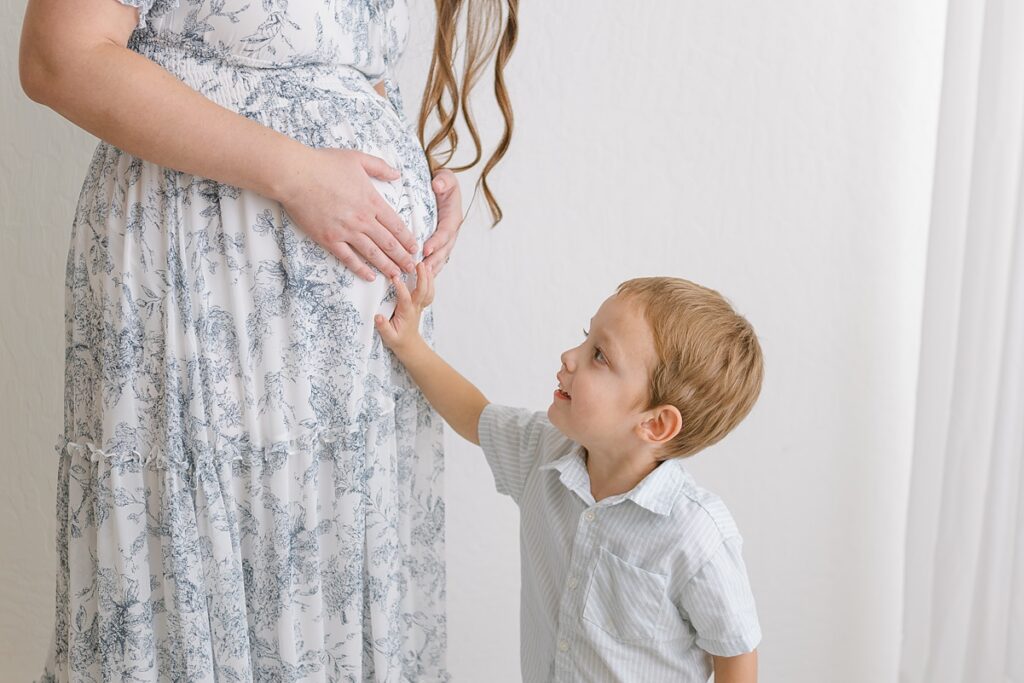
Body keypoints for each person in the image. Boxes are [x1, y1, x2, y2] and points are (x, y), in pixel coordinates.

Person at [19, 0, 516, 679]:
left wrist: (413, 182)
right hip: (204, 298)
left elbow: (333, 63)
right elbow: (59, 57)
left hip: (353, 365)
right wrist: (299, 173)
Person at [375, 263, 764, 682]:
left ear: (655, 424)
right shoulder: (543, 452)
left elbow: (735, 653)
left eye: (600, 355)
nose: (570, 356)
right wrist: (410, 345)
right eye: (586, 337)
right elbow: (475, 416)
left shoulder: (697, 535)